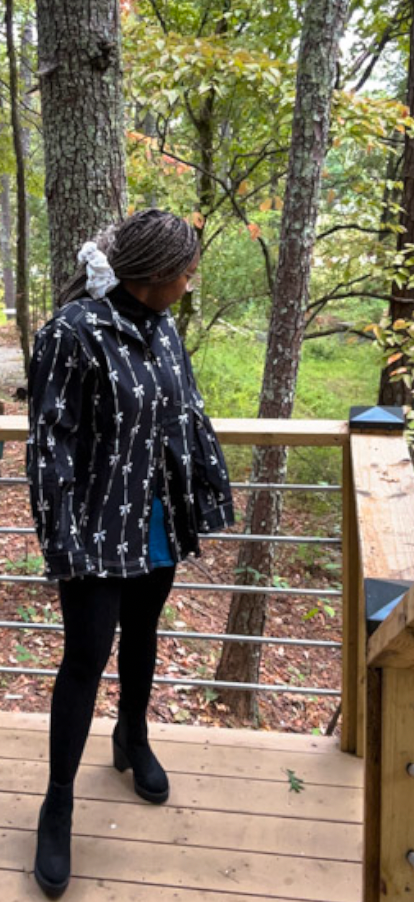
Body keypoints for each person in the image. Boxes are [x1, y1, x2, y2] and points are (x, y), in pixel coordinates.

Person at [26, 209, 234, 898]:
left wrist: (201, 488)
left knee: (142, 633)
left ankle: (132, 738)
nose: (189, 281)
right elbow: (49, 445)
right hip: (94, 528)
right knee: (85, 658)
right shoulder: (71, 334)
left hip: (155, 518)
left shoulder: (164, 325)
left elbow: (186, 411)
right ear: (150, 277)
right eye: (183, 272)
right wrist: (62, 537)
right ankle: (58, 803)